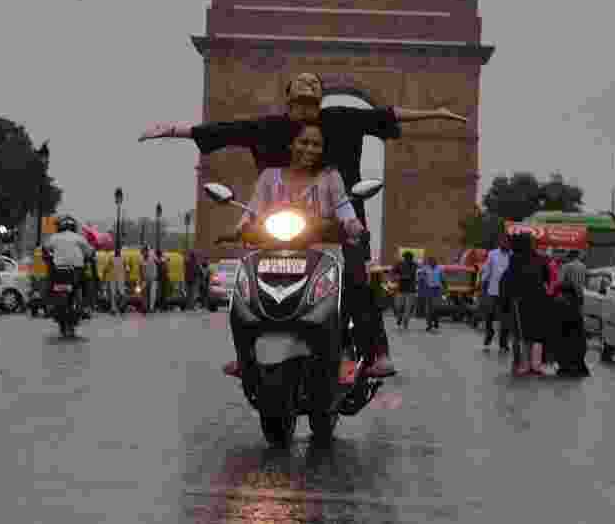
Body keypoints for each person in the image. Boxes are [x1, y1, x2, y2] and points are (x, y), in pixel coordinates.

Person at [140, 71, 474, 378]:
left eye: (312, 104)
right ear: (289, 103)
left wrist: (436, 112)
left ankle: (376, 352)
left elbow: (385, 115)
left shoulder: (340, 122)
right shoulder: (271, 132)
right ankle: (248, 353)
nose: (306, 112)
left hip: (341, 224)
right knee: (251, 280)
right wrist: (174, 131)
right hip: (286, 227)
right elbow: (228, 131)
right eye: (300, 103)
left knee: (357, 279)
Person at [222, 122, 366, 385]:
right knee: (241, 299)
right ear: (291, 144)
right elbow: (254, 207)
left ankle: (344, 351)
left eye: (316, 144)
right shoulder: (269, 176)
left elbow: (343, 205)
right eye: (303, 142)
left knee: (347, 294)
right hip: (274, 252)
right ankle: (245, 356)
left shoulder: (330, 177)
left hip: (323, 253)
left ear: (323, 150)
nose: (309, 149)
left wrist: (352, 223)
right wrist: (241, 225)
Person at [501, 233, 551, 376]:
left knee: (523, 334)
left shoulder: (515, 259)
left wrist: (508, 297)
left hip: (521, 300)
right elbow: (546, 278)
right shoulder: (541, 259)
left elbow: (509, 279)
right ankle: (536, 365)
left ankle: (525, 364)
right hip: (538, 299)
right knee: (536, 334)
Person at [554, 250, 590, 377]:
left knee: (565, 334)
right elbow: (585, 285)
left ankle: (566, 364)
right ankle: (578, 362)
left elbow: (558, 283)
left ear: (569, 256)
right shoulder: (583, 267)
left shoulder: (566, 267)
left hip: (566, 305)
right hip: (579, 304)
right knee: (578, 334)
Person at [478, 235, 512, 352]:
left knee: (505, 319)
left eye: (507, 242)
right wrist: (482, 282)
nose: (504, 243)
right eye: (502, 241)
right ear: (499, 242)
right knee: (489, 315)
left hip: (507, 292)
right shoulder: (492, 254)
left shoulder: (512, 255)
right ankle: (489, 333)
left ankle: (503, 343)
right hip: (493, 290)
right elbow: (487, 270)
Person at [393, 251, 419, 329]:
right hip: (401, 289)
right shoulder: (399, 264)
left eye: (409, 258)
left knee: (408, 308)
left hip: (411, 290)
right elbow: (393, 272)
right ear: (404, 258)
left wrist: (401, 277)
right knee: (398, 306)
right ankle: (399, 317)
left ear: (411, 258)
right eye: (406, 258)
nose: (407, 259)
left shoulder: (414, 265)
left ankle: (405, 322)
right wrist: (395, 276)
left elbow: (412, 274)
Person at [422, 256, 445, 331]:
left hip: (437, 289)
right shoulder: (425, 268)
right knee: (428, 308)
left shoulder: (440, 268)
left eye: (433, 261)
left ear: (435, 262)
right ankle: (429, 325)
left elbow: (443, 278)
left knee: (436, 307)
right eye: (430, 261)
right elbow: (422, 277)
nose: (431, 262)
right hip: (428, 289)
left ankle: (435, 320)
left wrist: (445, 288)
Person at [108, 250, 129, 315]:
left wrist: (126, 275)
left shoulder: (123, 258)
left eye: (118, 250)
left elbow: (127, 268)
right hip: (113, 278)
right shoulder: (111, 258)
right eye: (116, 250)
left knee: (122, 293)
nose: (117, 251)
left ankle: (121, 307)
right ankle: (113, 308)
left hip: (120, 278)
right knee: (113, 294)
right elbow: (108, 267)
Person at [142, 245, 159, 313]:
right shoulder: (141, 258)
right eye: (143, 252)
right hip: (146, 278)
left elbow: (158, 261)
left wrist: (163, 260)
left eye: (144, 251)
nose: (144, 253)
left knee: (152, 293)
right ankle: (145, 307)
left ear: (147, 251)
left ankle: (151, 308)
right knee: (145, 293)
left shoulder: (152, 255)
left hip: (153, 278)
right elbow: (141, 268)